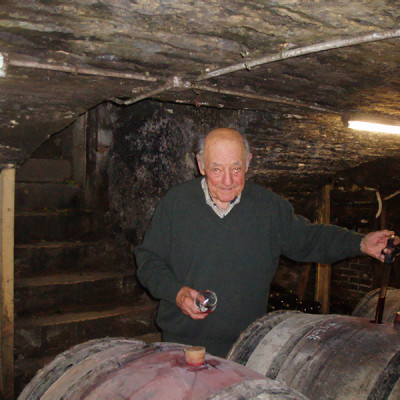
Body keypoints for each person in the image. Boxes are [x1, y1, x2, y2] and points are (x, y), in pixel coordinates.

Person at [134, 127, 399, 357]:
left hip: (247, 344)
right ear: (201, 165)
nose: (227, 181)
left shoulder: (269, 208)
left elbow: (310, 238)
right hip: (184, 344)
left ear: (248, 163)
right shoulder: (177, 203)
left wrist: (361, 243)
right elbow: (148, 261)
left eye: (236, 169)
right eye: (216, 169)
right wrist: (176, 293)